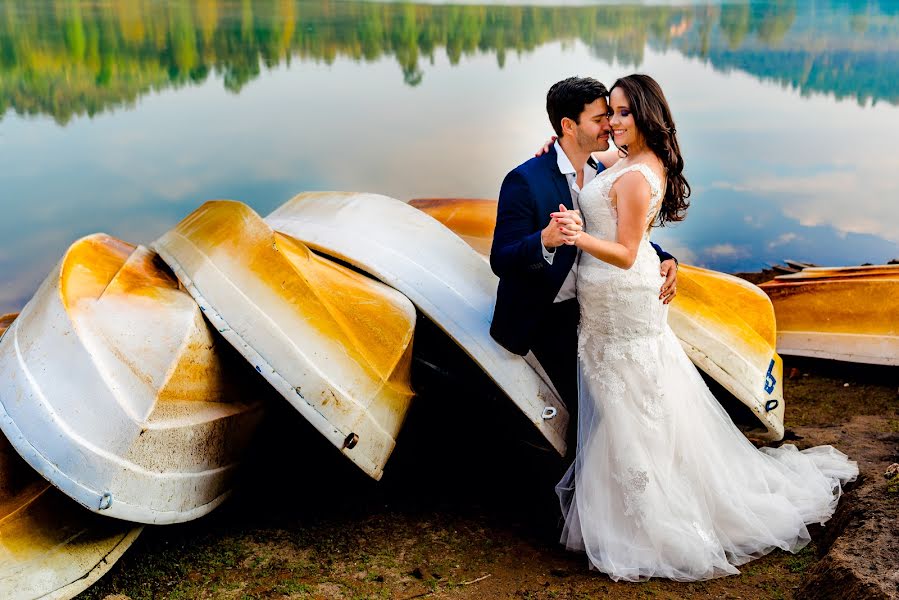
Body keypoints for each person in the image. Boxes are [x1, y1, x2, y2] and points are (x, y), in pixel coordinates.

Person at [553, 73, 857, 581]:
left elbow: (628, 253)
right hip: (617, 301)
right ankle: (630, 506)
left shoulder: (633, 175)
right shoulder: (633, 162)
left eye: (624, 112)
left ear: (646, 115)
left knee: (634, 401)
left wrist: (577, 238)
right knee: (635, 398)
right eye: (611, 112)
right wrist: (564, 146)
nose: (615, 121)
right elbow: (591, 165)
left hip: (621, 297)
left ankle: (653, 519)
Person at [489, 77, 678, 451]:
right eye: (600, 118)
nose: (610, 124)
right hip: (547, 312)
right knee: (591, 406)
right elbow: (501, 259)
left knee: (619, 401)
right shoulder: (525, 181)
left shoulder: (604, 170)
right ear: (568, 126)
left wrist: (664, 256)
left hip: (593, 308)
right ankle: (576, 494)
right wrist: (544, 240)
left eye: (612, 114)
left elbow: (622, 230)